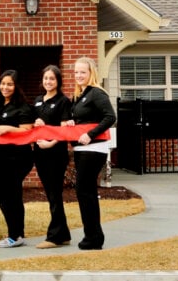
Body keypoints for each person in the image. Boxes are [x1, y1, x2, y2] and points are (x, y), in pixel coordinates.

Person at [64, 57, 117, 251]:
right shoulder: (79, 96)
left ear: (91, 73)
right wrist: (72, 124)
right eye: (76, 72)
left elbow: (110, 117)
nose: (79, 75)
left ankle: (93, 238)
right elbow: (81, 119)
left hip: (94, 149)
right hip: (81, 149)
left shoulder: (97, 93)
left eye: (82, 72)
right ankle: (93, 235)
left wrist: (90, 134)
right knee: (85, 193)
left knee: (85, 192)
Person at [0, 69, 36, 248]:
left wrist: (8, 129)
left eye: (9, 84)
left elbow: (27, 130)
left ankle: (15, 235)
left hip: (19, 158)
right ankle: (16, 233)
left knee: (11, 195)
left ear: (16, 86)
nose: (5, 87)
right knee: (2, 193)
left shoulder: (23, 106)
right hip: (2, 157)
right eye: (3, 84)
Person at [32, 65, 74, 249]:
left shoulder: (63, 101)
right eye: (45, 78)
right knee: (50, 194)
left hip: (55, 154)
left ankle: (54, 237)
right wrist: (36, 123)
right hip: (40, 153)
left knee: (55, 193)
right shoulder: (38, 100)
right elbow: (34, 124)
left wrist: (50, 143)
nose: (48, 82)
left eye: (52, 79)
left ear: (58, 81)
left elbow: (64, 128)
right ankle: (63, 233)